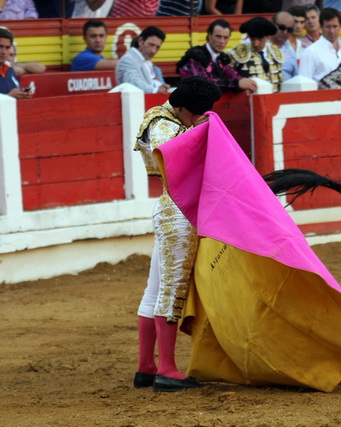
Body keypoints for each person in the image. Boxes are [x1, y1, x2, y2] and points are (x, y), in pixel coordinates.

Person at [133, 75, 222, 392]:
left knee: (156, 290)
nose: (198, 118)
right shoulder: (161, 122)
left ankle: (146, 367)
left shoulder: (167, 118)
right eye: (195, 113)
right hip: (178, 212)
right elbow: (172, 153)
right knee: (172, 291)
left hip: (173, 208)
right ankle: (167, 369)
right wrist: (203, 131)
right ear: (181, 106)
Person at [176, 19, 257, 93]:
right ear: (209, 35)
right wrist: (237, 83)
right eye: (218, 36)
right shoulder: (196, 55)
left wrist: (245, 82)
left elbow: (231, 74)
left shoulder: (222, 57)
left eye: (225, 38)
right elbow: (202, 83)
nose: (222, 41)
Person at [227, 16, 284, 93]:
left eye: (260, 39)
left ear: (268, 37)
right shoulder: (237, 52)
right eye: (253, 39)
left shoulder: (276, 52)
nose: (256, 44)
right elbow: (225, 77)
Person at [299, 8, 341, 83]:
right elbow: (304, 84)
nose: (331, 31)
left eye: (335, 26)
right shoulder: (310, 52)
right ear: (321, 27)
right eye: (328, 27)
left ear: (340, 26)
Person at [116, 26, 170, 94]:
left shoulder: (147, 61)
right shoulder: (128, 59)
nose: (153, 51)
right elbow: (133, 83)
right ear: (141, 41)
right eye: (151, 45)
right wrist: (155, 90)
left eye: (157, 47)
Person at [0, 28, 32, 99]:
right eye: (0, 47)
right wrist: (8, 97)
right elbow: (9, 96)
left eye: (7, 47)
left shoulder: (9, 68)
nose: (4, 52)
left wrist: (21, 95)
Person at [271, 11, 298, 81]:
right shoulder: (256, 43)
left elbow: (296, 78)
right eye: (282, 28)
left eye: (289, 30)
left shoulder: (292, 53)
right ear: (272, 24)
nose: (285, 32)